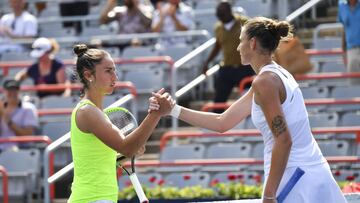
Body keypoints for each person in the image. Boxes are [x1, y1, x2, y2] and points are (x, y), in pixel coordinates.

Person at [150, 17, 347, 203]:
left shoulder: (264, 82)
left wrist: (269, 195)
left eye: (240, 40)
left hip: (295, 179)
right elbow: (222, 122)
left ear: (252, 43)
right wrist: (173, 110)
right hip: (311, 172)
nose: (237, 46)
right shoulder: (274, 75)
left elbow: (284, 140)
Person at [68, 44, 171, 203]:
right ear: (89, 75)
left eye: (114, 70)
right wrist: (155, 114)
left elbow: (117, 154)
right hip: (92, 199)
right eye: (108, 71)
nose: (115, 76)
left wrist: (132, 149)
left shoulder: (94, 112)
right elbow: (127, 148)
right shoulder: (87, 112)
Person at [203, 1, 255, 113]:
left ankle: (250, 124)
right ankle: (216, 126)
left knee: (251, 100)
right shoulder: (218, 27)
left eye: (222, 14)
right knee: (218, 101)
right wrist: (207, 62)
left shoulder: (245, 22)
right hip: (227, 68)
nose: (220, 17)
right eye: (218, 15)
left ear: (229, 12)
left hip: (245, 68)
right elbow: (218, 46)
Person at [0, 79, 38, 152]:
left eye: (15, 90)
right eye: (10, 90)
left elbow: (28, 136)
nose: (12, 93)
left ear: (19, 91)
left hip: (20, 149)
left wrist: (10, 123)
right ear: (4, 91)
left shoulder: (28, 108)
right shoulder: (1, 108)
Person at [338, 0, 360, 84]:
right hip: (351, 50)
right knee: (354, 85)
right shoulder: (341, 5)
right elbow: (344, 28)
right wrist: (344, 52)